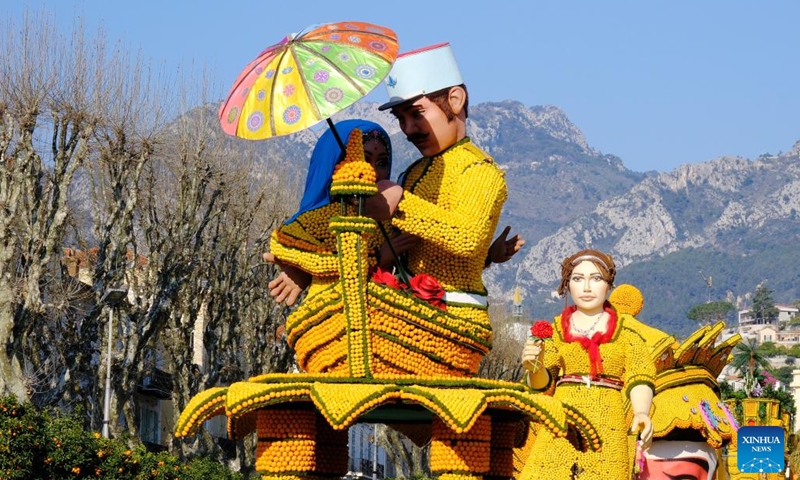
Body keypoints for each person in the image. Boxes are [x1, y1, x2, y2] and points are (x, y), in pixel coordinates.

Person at [265, 116, 523, 306]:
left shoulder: (391, 219)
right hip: (333, 326)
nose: (374, 172)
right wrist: (302, 269)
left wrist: (487, 257)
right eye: (363, 160)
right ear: (334, 163)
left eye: (382, 162)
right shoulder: (311, 223)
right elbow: (319, 260)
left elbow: (424, 259)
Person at [354, 42, 508, 342]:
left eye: (416, 113)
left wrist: (400, 205)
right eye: (400, 119)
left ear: (455, 99)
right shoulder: (411, 174)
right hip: (404, 315)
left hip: (456, 323)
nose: (408, 129)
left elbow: (467, 237)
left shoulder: (479, 170)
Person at [518, 249, 656, 479]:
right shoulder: (556, 331)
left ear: (609, 285)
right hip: (562, 422)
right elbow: (543, 385)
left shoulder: (626, 332)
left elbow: (640, 374)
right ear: (567, 285)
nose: (587, 287)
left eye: (596, 278)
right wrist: (535, 366)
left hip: (608, 423)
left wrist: (641, 411)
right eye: (578, 279)